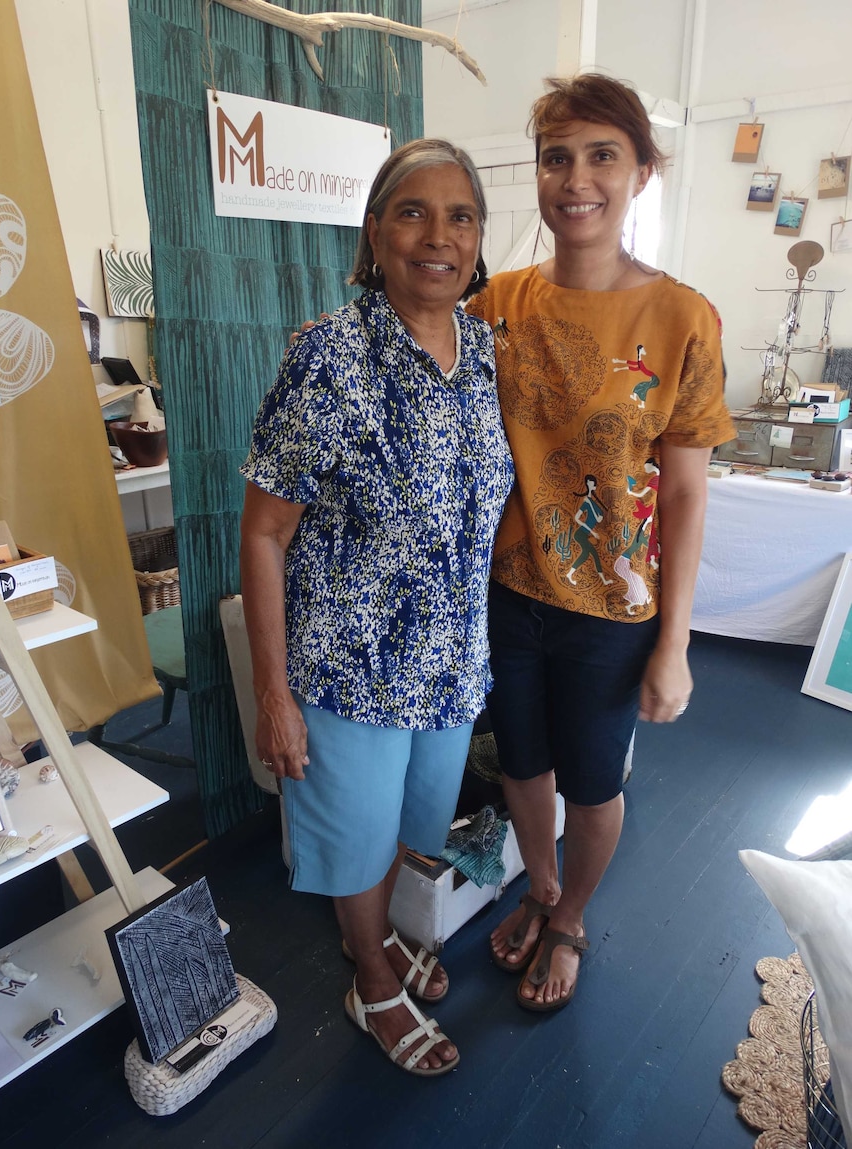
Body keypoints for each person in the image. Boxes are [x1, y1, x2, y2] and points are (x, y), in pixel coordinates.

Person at [239, 139, 513, 1074]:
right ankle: (371, 977)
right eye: (413, 212)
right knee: (355, 846)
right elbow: (265, 533)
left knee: (410, 830)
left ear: (480, 240)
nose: (438, 236)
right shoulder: (331, 355)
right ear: (374, 232)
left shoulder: (486, 352)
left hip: (445, 665)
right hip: (346, 669)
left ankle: (384, 940)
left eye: (461, 216)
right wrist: (271, 692)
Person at [463, 74, 735, 1012]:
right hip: (507, 588)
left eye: (601, 155)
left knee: (590, 779)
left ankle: (571, 912)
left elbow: (690, 493)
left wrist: (676, 643)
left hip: (615, 608)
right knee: (522, 766)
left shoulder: (682, 320)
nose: (574, 179)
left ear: (642, 173)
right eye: (555, 157)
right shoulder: (492, 305)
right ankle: (538, 890)